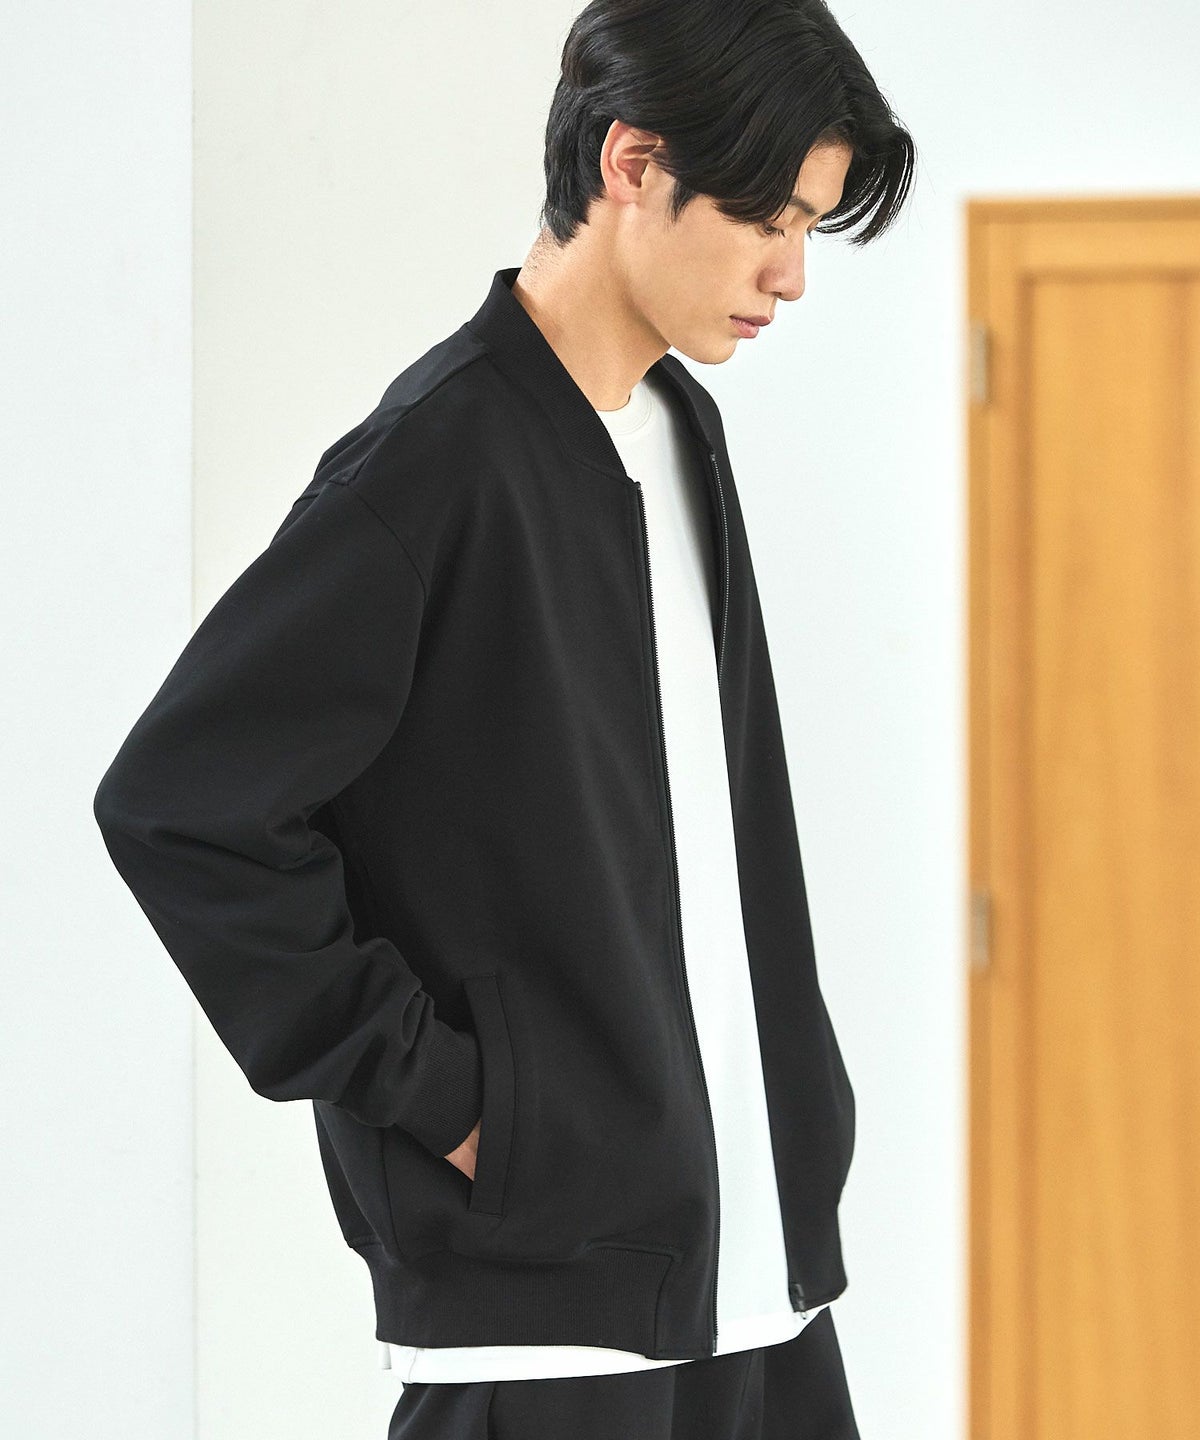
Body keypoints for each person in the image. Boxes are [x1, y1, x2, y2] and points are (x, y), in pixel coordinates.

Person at [92, 1, 914, 1434]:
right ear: (631, 163)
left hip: (755, 1293)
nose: (790, 274)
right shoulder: (436, 464)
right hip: (544, 1330)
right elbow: (181, 806)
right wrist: (463, 1105)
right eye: (765, 219)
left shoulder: (680, 429)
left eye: (807, 228)